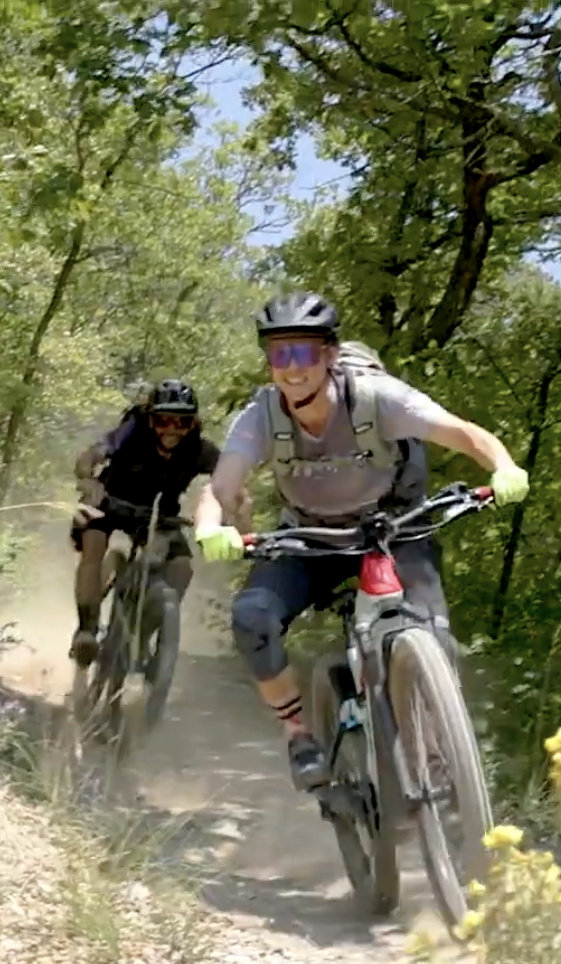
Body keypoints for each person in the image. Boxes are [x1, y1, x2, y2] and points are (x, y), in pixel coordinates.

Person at [191, 292, 531, 791]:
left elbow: (463, 433)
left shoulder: (378, 398)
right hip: (311, 536)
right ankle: (299, 735)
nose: (291, 367)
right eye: (279, 354)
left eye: (303, 352)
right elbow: (220, 486)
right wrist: (210, 526)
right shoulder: (261, 416)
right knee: (252, 618)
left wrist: (503, 466)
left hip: (395, 530)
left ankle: (436, 750)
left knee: (435, 636)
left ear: (329, 355)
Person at [70, 378, 222, 664]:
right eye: (163, 420)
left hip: (159, 514)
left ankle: (140, 635)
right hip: (109, 501)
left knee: (181, 568)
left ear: (193, 424)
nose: (172, 430)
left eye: (182, 423)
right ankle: (87, 630)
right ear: (151, 419)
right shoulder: (131, 432)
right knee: (93, 546)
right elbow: (88, 457)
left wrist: (226, 515)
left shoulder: (200, 450)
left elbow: (229, 481)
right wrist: (89, 481)